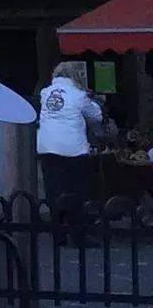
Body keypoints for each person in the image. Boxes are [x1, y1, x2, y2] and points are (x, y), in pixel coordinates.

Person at [36, 57, 105, 227]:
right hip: (72, 149)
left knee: (54, 191)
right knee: (75, 192)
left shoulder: (45, 93)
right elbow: (96, 117)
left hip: (47, 147)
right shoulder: (79, 95)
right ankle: (76, 231)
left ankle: (58, 230)